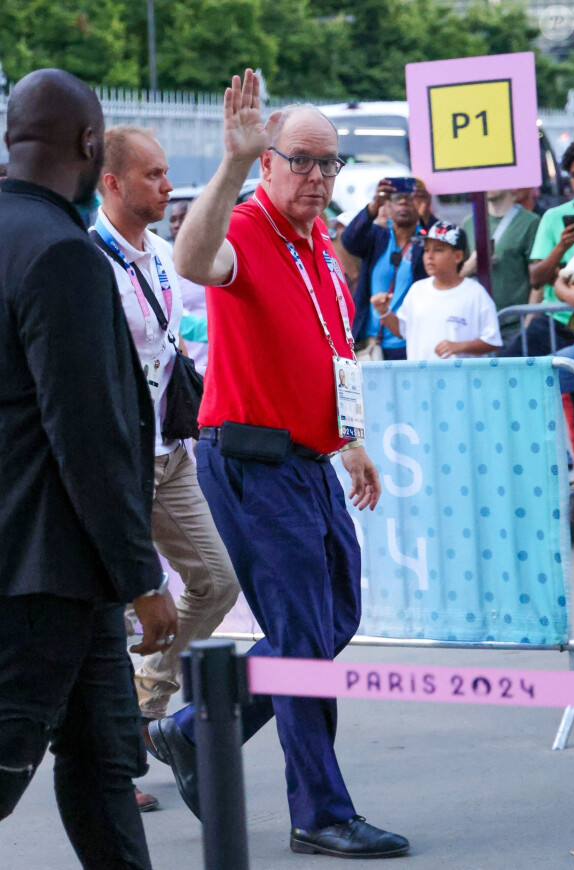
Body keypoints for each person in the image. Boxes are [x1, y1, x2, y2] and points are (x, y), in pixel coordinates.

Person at [150, 69, 410, 860]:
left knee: (335, 619)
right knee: (301, 637)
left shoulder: (320, 246)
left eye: (328, 163)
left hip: (310, 460)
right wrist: (230, 166)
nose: (318, 177)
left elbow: (331, 353)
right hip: (252, 462)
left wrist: (351, 440)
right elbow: (196, 260)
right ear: (268, 162)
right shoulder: (250, 224)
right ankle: (321, 812)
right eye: (301, 160)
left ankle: (195, 727)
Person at [0, 68, 177, 868]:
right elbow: (88, 432)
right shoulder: (62, 254)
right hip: (44, 571)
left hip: (64, 567)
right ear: (87, 145)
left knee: (106, 762)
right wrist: (143, 575)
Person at [95, 126, 239, 807]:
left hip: (171, 453)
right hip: (115, 463)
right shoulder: (87, 260)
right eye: (152, 175)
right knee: (103, 617)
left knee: (214, 581)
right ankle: (113, 759)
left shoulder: (161, 254)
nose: (166, 185)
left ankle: (145, 705)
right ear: (111, 183)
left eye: (167, 173)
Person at [371, 221, 502, 360]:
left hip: (461, 379)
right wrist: (384, 311)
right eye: (426, 250)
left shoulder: (475, 293)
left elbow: (492, 341)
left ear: (458, 256)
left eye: (438, 250)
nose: (429, 256)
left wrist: (460, 346)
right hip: (421, 379)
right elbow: (402, 330)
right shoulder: (417, 290)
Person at [499, 136, 574, 358]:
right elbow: (536, 278)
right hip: (556, 320)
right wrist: (561, 247)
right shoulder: (553, 218)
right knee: (508, 365)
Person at [341, 178, 432, 361]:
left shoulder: (427, 242)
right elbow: (349, 240)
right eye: (397, 197)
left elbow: (445, 254)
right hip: (370, 343)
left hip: (409, 342)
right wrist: (374, 206)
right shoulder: (377, 237)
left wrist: (427, 217)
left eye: (411, 198)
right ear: (388, 207)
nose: (404, 202)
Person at [461, 189, 540, 341]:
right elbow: (455, 278)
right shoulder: (469, 223)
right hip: (478, 326)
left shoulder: (530, 222)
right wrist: (470, 267)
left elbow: (538, 281)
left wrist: (528, 323)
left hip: (515, 325)